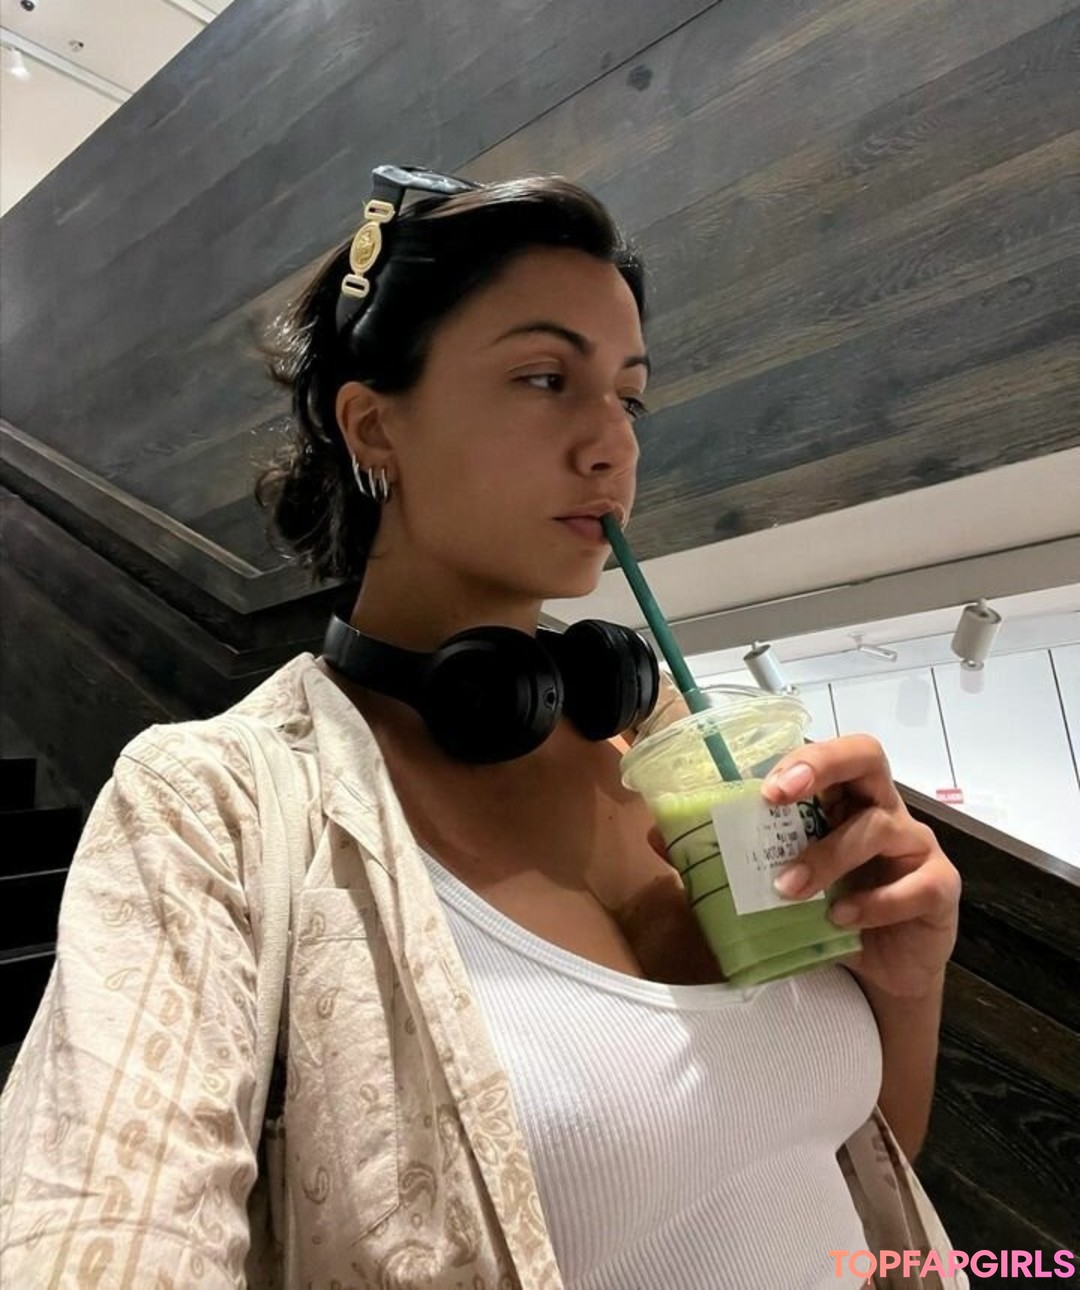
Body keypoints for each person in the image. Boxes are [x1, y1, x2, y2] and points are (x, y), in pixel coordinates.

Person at [0, 165, 962, 1289]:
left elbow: (842, 1161)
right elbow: (101, 1233)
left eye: (629, 398)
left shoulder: (664, 743)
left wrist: (905, 984)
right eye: (545, 378)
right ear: (373, 426)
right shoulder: (212, 809)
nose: (613, 446)